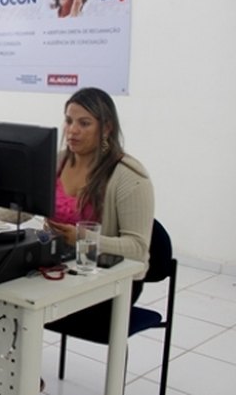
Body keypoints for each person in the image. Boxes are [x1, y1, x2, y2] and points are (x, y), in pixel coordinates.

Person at [44, 87, 155, 335]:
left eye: (84, 123)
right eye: (69, 120)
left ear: (106, 129)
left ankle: (27, 375)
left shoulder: (129, 176)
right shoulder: (58, 160)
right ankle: (26, 375)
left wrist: (82, 237)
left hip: (110, 283)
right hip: (61, 268)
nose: (72, 130)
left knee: (22, 311)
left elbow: (138, 248)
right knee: (5, 296)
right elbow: (25, 205)